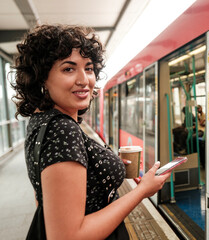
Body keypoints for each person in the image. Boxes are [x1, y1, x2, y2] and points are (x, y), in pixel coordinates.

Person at [12, 24, 172, 240]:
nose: (84, 79)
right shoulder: (62, 129)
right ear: (42, 79)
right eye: (68, 68)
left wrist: (99, 169)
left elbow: (45, 194)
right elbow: (68, 237)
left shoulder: (40, 121)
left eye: (88, 68)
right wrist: (142, 191)